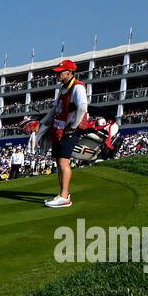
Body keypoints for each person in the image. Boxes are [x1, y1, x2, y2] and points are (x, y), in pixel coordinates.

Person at [35, 59, 93, 208]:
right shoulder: (63, 88)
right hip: (59, 129)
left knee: (63, 161)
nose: (58, 75)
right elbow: (55, 109)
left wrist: (73, 126)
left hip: (69, 129)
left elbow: (82, 108)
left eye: (60, 72)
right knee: (58, 162)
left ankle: (64, 196)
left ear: (69, 72)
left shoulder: (77, 87)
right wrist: (41, 123)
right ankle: (62, 193)